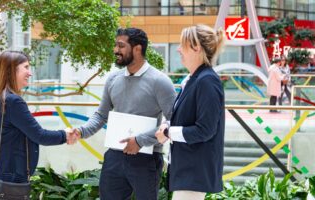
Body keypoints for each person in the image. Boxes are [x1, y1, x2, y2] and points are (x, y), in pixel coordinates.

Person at [72, 28, 176, 200]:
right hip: (115, 156)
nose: (115, 50)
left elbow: (174, 121)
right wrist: (81, 131)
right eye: (115, 45)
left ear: (137, 48)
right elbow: (100, 115)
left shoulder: (160, 81)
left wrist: (140, 141)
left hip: (147, 158)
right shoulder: (113, 79)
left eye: (121, 45)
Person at [0, 51, 77, 200]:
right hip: (9, 178)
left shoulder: (0, 97)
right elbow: (40, 135)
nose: (30, 73)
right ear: (11, 70)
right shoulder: (13, 102)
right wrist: (65, 135)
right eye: (26, 67)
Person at [155, 24, 225, 200]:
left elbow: (205, 130)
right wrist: (167, 125)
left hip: (194, 173)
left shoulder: (207, 81)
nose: (178, 49)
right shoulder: (195, 79)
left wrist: (168, 132)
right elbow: (185, 118)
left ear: (196, 48)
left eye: (182, 44)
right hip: (188, 171)